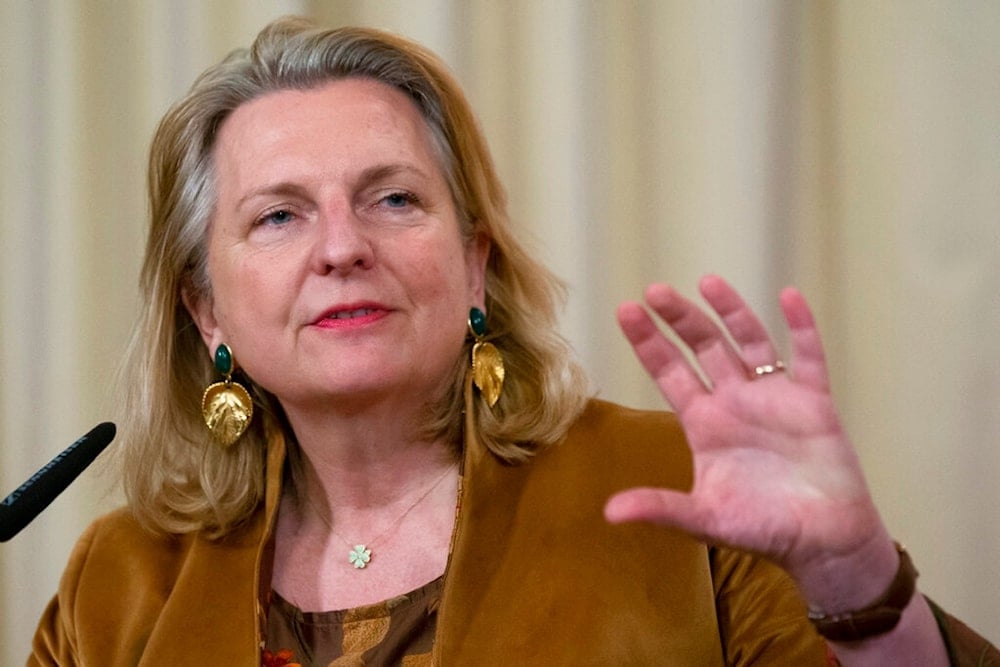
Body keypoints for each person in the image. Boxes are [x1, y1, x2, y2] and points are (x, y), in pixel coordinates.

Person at [28, 17, 998, 666]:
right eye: (278, 216)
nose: (341, 248)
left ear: (474, 261)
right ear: (206, 309)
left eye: (392, 198)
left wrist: (853, 579)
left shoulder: (682, 489)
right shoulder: (118, 582)